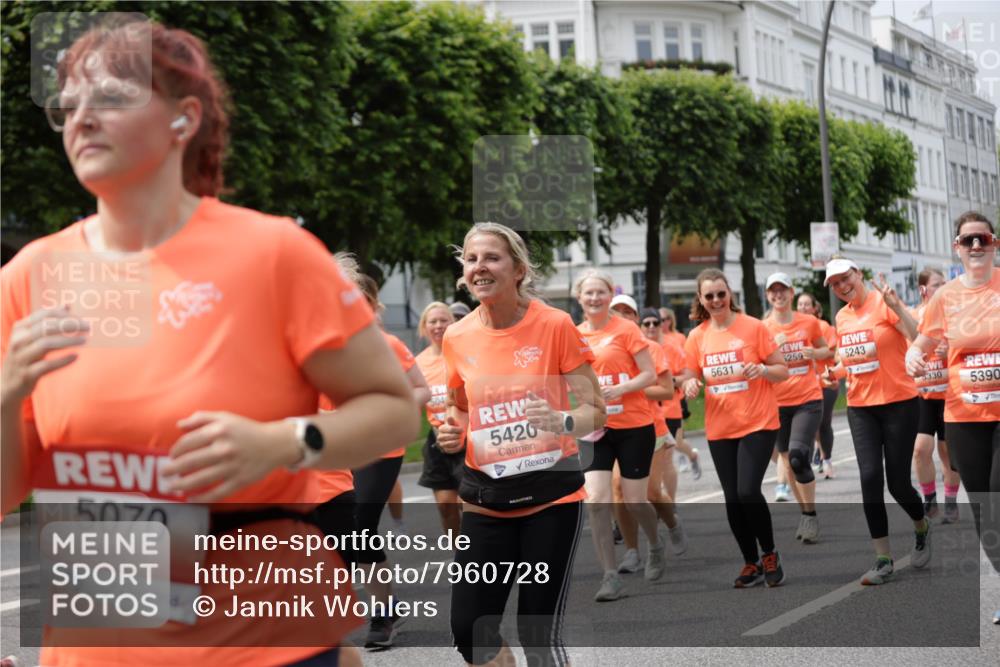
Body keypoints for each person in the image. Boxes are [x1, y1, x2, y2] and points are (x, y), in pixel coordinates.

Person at [0, 19, 418, 667]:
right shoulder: (30, 276)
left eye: (109, 96)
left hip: (261, 634)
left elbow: (393, 407)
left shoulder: (273, 253)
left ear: (183, 119)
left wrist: (285, 442)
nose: (81, 117)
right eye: (67, 104)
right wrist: (6, 397)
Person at [436, 222, 606, 667]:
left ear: (518, 270)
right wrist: (452, 432)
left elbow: (597, 410)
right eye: (472, 260)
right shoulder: (457, 337)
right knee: (469, 630)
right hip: (485, 499)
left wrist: (563, 419)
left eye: (492, 258)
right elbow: (461, 407)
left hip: (550, 499)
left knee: (538, 634)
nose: (480, 267)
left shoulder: (553, 325)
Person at [330, 259, 432, 650]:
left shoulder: (386, 344)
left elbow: (420, 389)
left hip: (379, 447)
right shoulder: (314, 347)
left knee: (360, 523)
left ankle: (382, 614)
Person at [906, 211, 1000, 624]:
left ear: (994, 242)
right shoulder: (945, 297)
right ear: (956, 248)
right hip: (963, 414)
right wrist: (913, 355)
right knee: (983, 505)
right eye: (967, 241)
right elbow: (924, 340)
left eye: (982, 238)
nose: (975, 246)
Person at [679, 269, 789, 588]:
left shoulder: (753, 327)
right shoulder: (697, 336)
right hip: (720, 427)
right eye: (709, 296)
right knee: (732, 498)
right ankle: (750, 562)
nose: (716, 300)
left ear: (730, 294)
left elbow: (781, 370)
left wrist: (764, 369)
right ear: (700, 299)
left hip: (759, 421)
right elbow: (689, 373)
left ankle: (769, 553)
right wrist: (689, 384)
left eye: (720, 294)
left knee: (747, 491)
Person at [823, 257, 930, 585]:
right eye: (835, 283)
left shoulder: (883, 304)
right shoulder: (842, 317)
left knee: (898, 484)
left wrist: (897, 306)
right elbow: (852, 357)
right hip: (860, 407)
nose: (842, 286)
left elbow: (917, 335)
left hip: (899, 404)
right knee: (869, 477)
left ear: (859, 274)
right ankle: (883, 559)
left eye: (846, 278)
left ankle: (921, 524)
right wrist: (836, 371)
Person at [574, 276, 666, 601]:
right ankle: (610, 576)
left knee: (634, 501)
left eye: (601, 292)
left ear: (610, 295)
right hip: (595, 428)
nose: (595, 297)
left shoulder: (625, 329)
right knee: (597, 500)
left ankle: (654, 544)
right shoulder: (574, 334)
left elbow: (649, 374)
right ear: (579, 297)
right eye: (589, 292)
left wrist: (623, 387)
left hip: (633, 425)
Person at [609, 299, 688, 574]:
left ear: (635, 317)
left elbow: (666, 391)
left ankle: (672, 524)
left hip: (650, 429)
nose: (621, 317)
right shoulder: (604, 349)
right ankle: (632, 551)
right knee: (618, 489)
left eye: (627, 312)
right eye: (616, 312)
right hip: (614, 428)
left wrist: (630, 389)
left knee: (651, 493)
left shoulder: (651, 349)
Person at [762, 273, 831, 544]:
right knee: (787, 463)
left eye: (783, 290)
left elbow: (826, 351)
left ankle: (811, 514)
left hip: (807, 399)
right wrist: (771, 350)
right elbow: (756, 364)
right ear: (768, 295)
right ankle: (804, 513)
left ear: (791, 293)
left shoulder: (809, 322)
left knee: (799, 456)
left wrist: (816, 354)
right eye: (773, 291)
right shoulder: (762, 328)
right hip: (777, 403)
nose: (778, 295)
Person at [909, 268, 961, 523]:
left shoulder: (953, 315)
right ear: (923, 290)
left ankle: (950, 500)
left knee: (948, 453)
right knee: (920, 450)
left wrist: (949, 349)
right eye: (936, 285)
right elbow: (908, 344)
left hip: (950, 394)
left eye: (944, 284)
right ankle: (930, 501)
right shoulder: (913, 315)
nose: (942, 288)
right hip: (924, 396)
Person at [415, 301, 463, 536]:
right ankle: (460, 558)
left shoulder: (464, 354)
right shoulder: (417, 363)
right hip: (437, 442)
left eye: (443, 320)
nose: (438, 325)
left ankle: (482, 556)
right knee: (446, 505)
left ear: (452, 323)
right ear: (424, 327)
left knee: (472, 505)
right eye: (432, 321)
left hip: (467, 439)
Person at [796, 293, 839, 479]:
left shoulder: (824, 327)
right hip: (804, 384)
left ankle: (827, 459)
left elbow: (832, 353)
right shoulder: (793, 328)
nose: (803, 307)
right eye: (800, 304)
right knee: (808, 425)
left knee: (823, 422)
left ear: (815, 308)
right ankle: (815, 454)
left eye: (807, 304)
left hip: (826, 382)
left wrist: (813, 353)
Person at [660, 307, 701, 478]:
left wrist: (678, 383)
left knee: (676, 438)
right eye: (657, 320)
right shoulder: (648, 340)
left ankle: (690, 455)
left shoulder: (678, 338)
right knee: (665, 441)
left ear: (670, 320)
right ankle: (682, 455)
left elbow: (686, 364)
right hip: (658, 398)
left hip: (677, 394)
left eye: (664, 319)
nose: (661, 323)